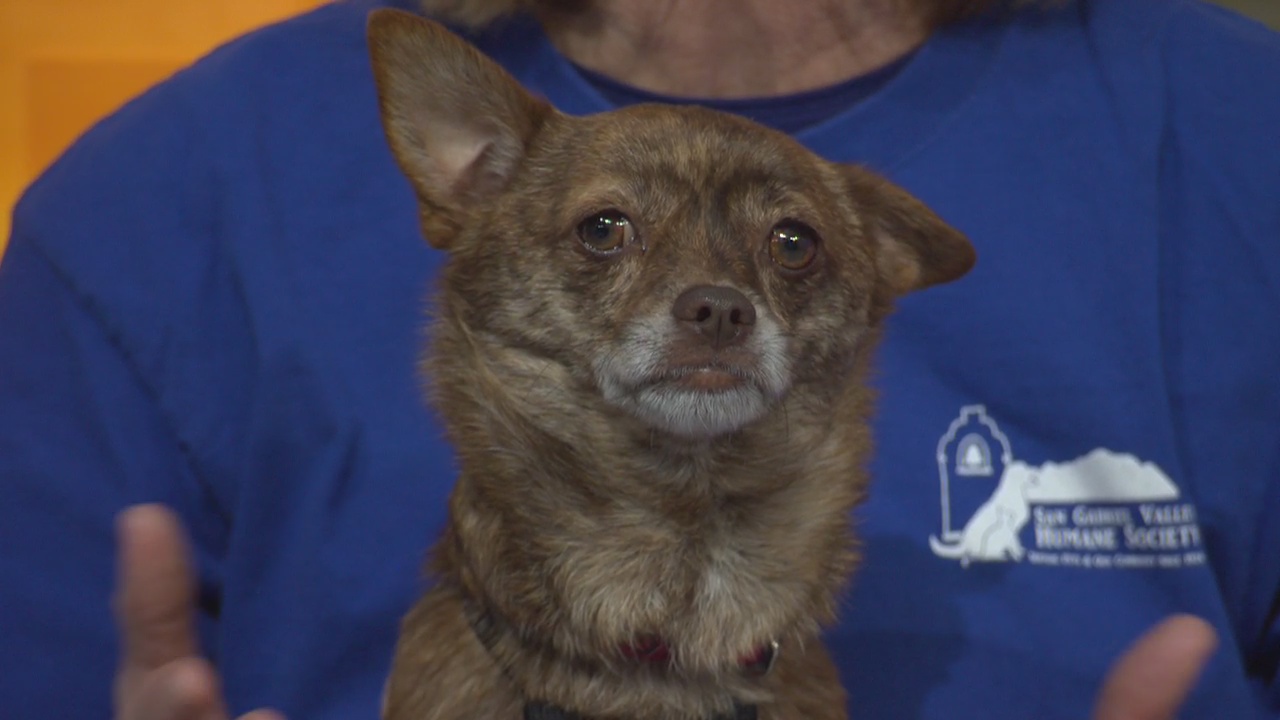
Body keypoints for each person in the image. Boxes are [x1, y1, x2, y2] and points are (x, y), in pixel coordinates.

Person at [0, 0, 1275, 718]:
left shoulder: (1237, 137)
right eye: (608, 234)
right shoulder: (147, 216)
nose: (712, 298)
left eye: (786, 247)